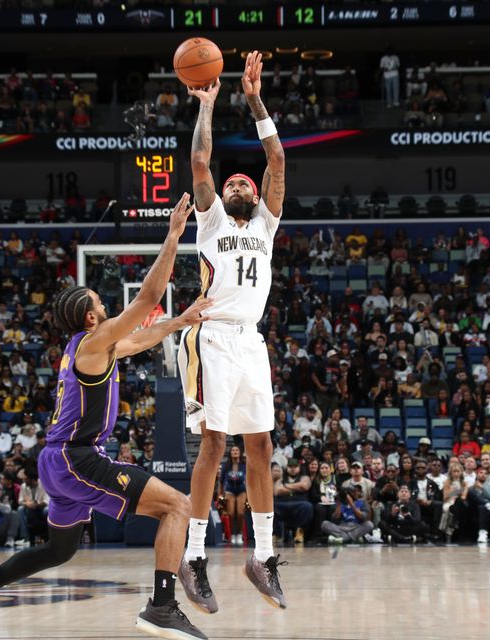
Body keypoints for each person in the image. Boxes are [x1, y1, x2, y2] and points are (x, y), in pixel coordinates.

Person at [0, 194, 213, 640]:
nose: (106, 306)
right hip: (77, 458)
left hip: (58, 462)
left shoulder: (88, 349)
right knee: (177, 506)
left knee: (59, 550)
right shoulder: (92, 341)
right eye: (101, 303)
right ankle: (162, 607)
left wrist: (180, 320)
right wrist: (173, 235)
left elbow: (140, 338)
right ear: (91, 316)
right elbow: (145, 301)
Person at [178, 51, 288, 613]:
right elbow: (201, 161)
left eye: (248, 182)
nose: (242, 184)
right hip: (211, 335)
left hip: (250, 341)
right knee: (215, 444)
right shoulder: (213, 219)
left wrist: (254, 98)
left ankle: (261, 556)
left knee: (262, 445)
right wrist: (209, 105)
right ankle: (194, 558)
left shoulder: (266, 225)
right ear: (225, 194)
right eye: (235, 182)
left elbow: (276, 157)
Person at [220, 445, 247, 545]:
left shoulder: (244, 465)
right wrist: (220, 495)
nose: (235, 451)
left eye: (237, 450)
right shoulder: (226, 466)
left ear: (240, 453)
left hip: (241, 490)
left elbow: (248, 480)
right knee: (230, 513)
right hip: (229, 490)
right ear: (230, 453)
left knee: (240, 512)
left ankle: (239, 534)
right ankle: (231, 535)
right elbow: (222, 481)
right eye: (233, 450)